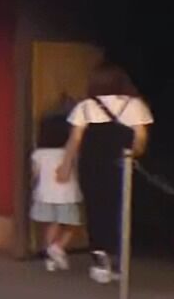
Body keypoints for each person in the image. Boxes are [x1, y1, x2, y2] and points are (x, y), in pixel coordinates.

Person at [57, 64, 153, 284]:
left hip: (92, 165)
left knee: (95, 208)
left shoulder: (86, 106)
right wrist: (132, 154)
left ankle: (100, 259)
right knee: (121, 209)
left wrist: (65, 166)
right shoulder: (135, 105)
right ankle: (119, 257)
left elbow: (75, 139)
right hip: (121, 165)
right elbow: (140, 138)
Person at [30, 113, 81, 272]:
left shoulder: (38, 154)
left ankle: (50, 258)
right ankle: (58, 247)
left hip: (45, 194)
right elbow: (76, 170)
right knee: (72, 224)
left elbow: (35, 174)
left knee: (51, 224)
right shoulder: (68, 153)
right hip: (66, 195)